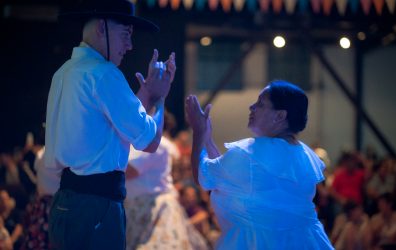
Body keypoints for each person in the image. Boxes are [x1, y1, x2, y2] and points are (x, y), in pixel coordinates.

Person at [44, 0, 176, 249]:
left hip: (65, 202)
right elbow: (149, 140)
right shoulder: (103, 73)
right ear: (101, 28)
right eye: (125, 34)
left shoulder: (64, 72)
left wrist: (147, 93)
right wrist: (159, 98)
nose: (129, 45)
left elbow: (121, 124)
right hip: (97, 206)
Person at [185, 80, 334, 249]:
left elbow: (203, 176)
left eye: (260, 104)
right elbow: (226, 176)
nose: (251, 107)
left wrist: (198, 133)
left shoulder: (250, 153)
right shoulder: (304, 156)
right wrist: (208, 140)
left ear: (280, 116)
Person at [124, 112, 209, 250]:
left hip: (152, 206)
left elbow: (130, 171)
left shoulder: (158, 144)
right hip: (136, 206)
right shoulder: (137, 142)